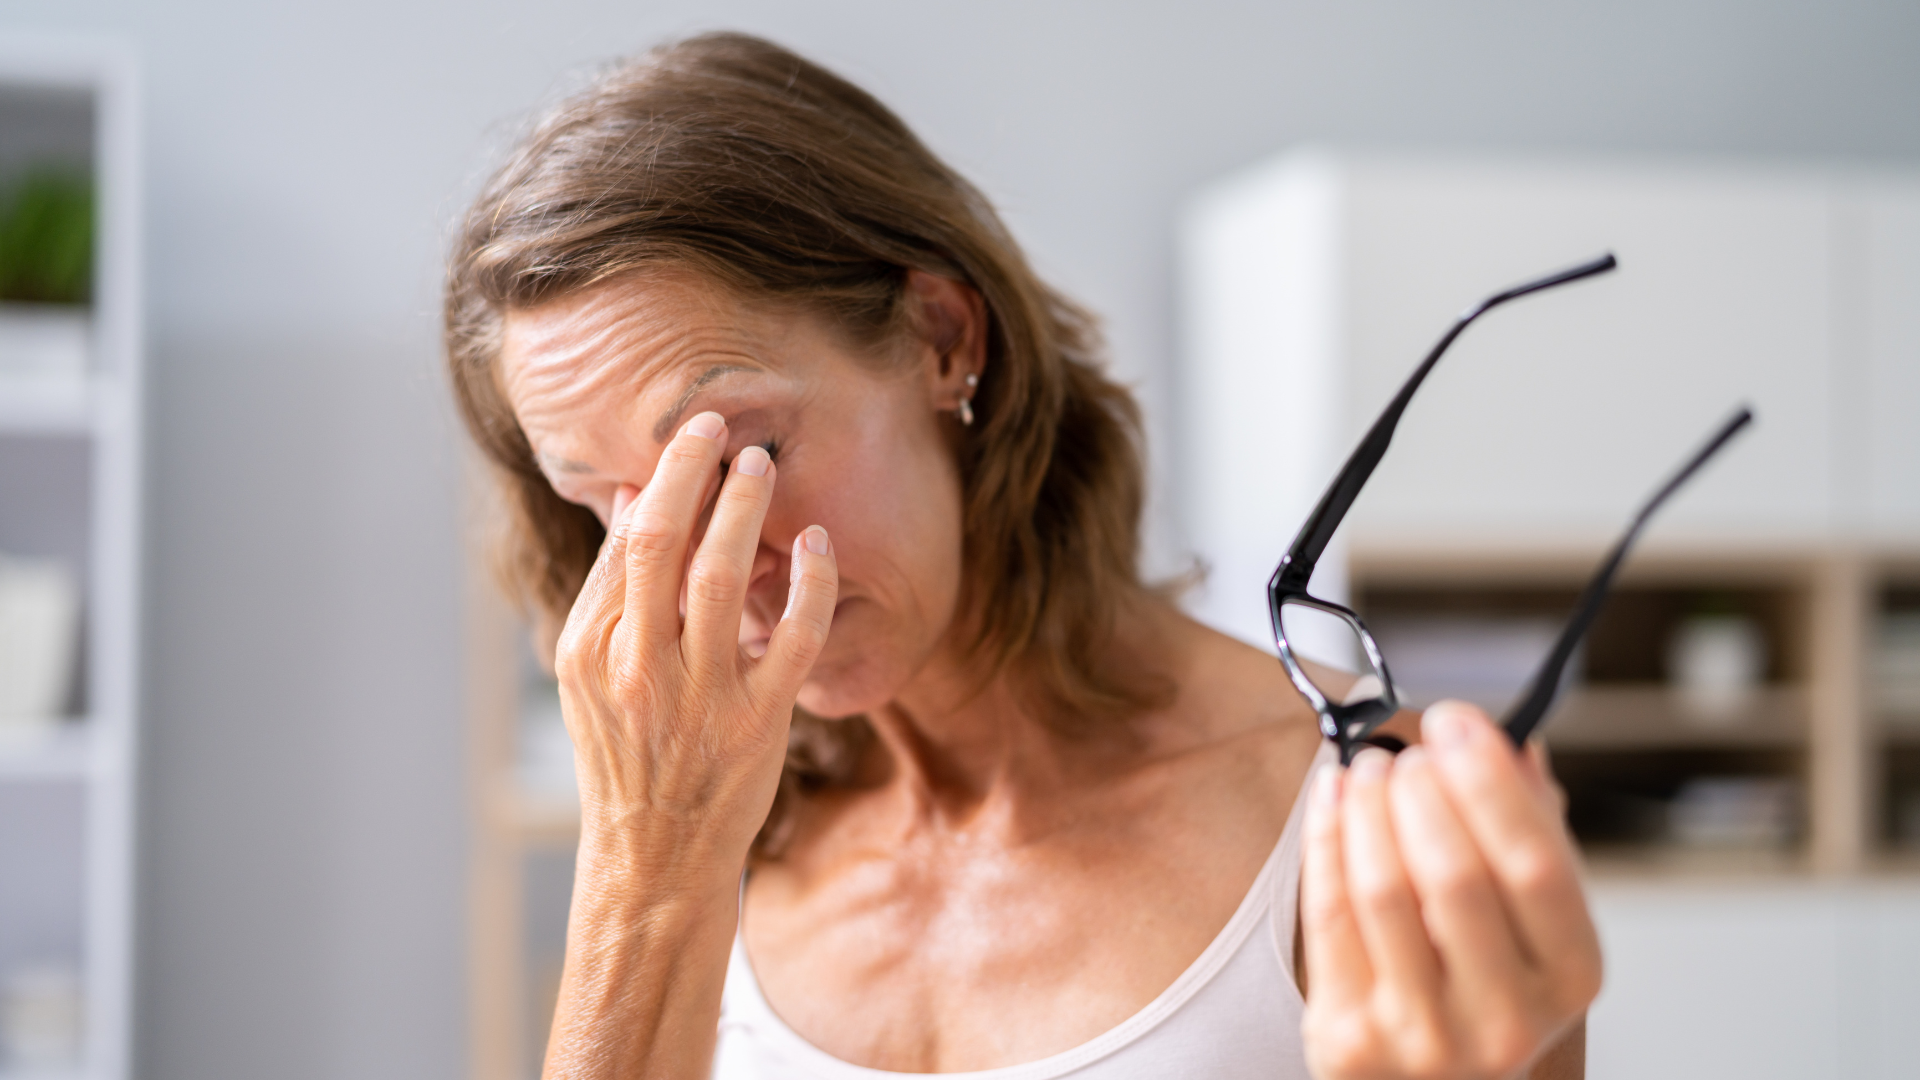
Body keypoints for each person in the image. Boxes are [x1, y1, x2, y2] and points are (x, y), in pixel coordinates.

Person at [445, 32, 1601, 1080]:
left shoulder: (1355, 815)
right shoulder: (707, 840)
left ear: (945, 340)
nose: (695, 576)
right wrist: (649, 871)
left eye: (739, 456)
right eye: (609, 505)